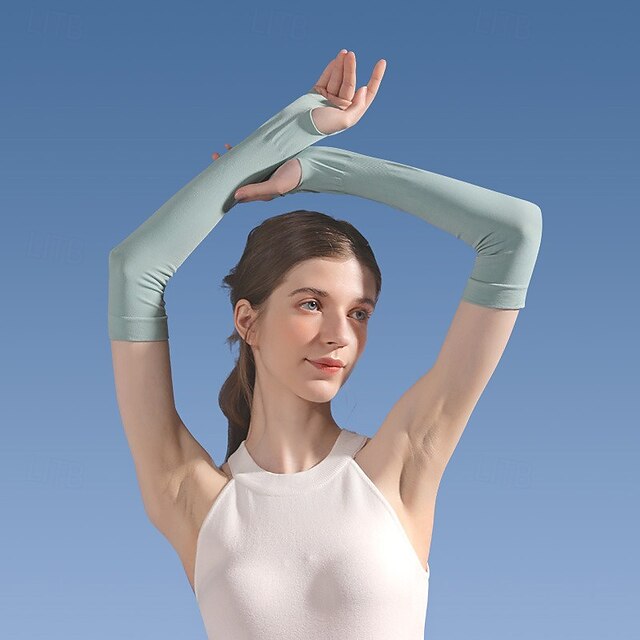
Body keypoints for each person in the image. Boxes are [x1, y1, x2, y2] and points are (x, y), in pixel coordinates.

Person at [109, 49, 542, 639]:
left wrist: (316, 166)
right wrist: (295, 126)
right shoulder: (193, 496)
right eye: (311, 304)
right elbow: (135, 269)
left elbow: (514, 232)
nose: (340, 334)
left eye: (359, 312)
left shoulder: (399, 466)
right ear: (247, 321)